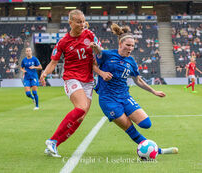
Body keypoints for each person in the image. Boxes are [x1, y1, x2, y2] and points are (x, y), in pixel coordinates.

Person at [91, 23, 178, 156]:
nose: (130, 48)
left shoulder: (131, 61)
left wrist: (154, 91)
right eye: (128, 45)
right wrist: (101, 70)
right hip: (108, 100)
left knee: (146, 123)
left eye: (132, 46)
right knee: (130, 128)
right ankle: (157, 150)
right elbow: (94, 61)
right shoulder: (108, 55)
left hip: (125, 97)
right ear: (120, 44)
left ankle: (150, 148)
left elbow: (138, 80)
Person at [40, 10, 112, 157]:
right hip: (72, 78)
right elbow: (54, 62)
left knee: (80, 118)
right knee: (80, 108)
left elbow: (100, 55)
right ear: (70, 23)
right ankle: (52, 140)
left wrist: (98, 54)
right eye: (78, 21)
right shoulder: (63, 42)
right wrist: (45, 73)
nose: (82, 24)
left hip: (88, 81)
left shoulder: (90, 35)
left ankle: (53, 146)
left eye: (83, 21)